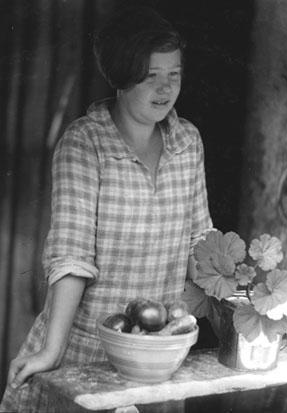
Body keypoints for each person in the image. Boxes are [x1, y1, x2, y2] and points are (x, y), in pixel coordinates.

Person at [0, 6, 214, 412]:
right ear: (120, 75)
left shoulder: (188, 141)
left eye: (174, 73)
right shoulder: (85, 144)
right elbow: (71, 257)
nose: (165, 88)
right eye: (150, 76)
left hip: (158, 358)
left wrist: (242, 296)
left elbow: (200, 240)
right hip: (88, 353)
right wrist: (51, 352)